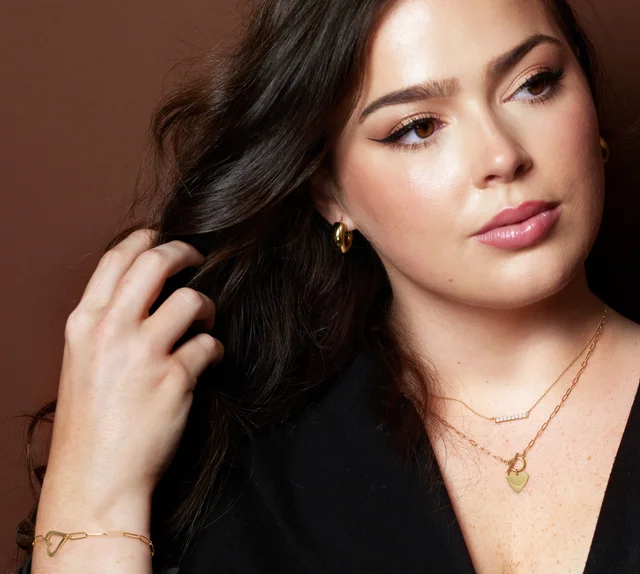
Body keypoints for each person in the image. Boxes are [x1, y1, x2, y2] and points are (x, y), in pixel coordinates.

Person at [15, 0, 640, 572]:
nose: (502, 156)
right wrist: (90, 494)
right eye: (418, 127)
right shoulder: (234, 461)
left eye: (534, 83)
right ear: (330, 193)